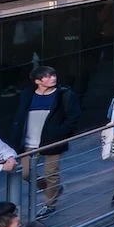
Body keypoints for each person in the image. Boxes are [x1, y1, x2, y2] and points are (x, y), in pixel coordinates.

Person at [11, 65, 81, 216]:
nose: (53, 78)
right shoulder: (28, 94)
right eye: (48, 76)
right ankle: (52, 189)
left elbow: (73, 116)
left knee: (51, 173)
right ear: (37, 81)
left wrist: (60, 133)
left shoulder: (64, 94)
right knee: (26, 173)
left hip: (53, 140)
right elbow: (20, 115)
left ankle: (49, 205)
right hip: (29, 142)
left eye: (53, 75)